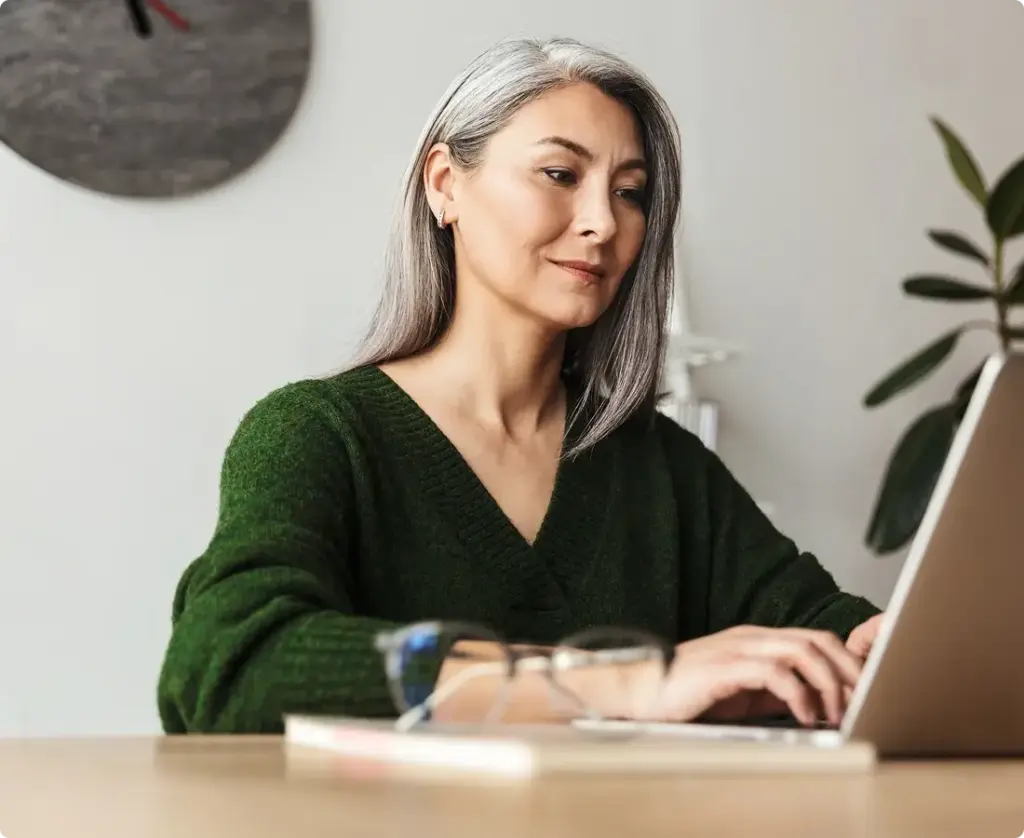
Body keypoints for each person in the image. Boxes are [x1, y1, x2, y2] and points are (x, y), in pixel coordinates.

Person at [156, 36, 885, 735]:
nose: (603, 222)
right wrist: (626, 683)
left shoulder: (661, 467)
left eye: (630, 193)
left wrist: (892, 646)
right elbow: (230, 664)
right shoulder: (318, 435)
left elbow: (823, 635)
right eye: (560, 175)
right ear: (446, 185)